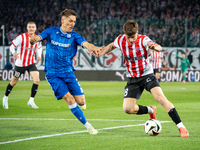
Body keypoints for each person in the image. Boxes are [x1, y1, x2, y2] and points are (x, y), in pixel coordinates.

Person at [97, 20, 189, 137]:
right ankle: (151, 110)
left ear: (137, 32)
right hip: (132, 78)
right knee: (127, 109)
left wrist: (155, 46)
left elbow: (159, 47)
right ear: (125, 34)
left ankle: (182, 127)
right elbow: (111, 45)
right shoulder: (121, 40)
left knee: (160, 98)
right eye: (128, 37)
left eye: (133, 36)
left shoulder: (144, 40)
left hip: (147, 75)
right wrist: (101, 53)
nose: (131, 40)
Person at [30, 9, 104, 134]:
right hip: (53, 75)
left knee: (81, 101)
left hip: (68, 72)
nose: (72, 24)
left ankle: (81, 103)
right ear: (62, 20)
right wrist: (35, 39)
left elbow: (85, 44)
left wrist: (94, 48)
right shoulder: (52, 31)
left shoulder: (74, 36)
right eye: (70, 21)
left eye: (74, 21)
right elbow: (39, 37)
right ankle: (88, 126)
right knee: (69, 99)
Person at [2, 21, 42, 109]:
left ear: (35, 28)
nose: (31, 28)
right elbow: (12, 46)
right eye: (29, 27)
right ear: (27, 28)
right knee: (14, 82)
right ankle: (5, 97)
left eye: (33, 27)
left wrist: (39, 55)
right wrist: (14, 53)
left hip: (31, 63)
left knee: (37, 80)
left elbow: (39, 47)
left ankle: (31, 100)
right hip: (20, 64)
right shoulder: (21, 37)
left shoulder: (37, 38)